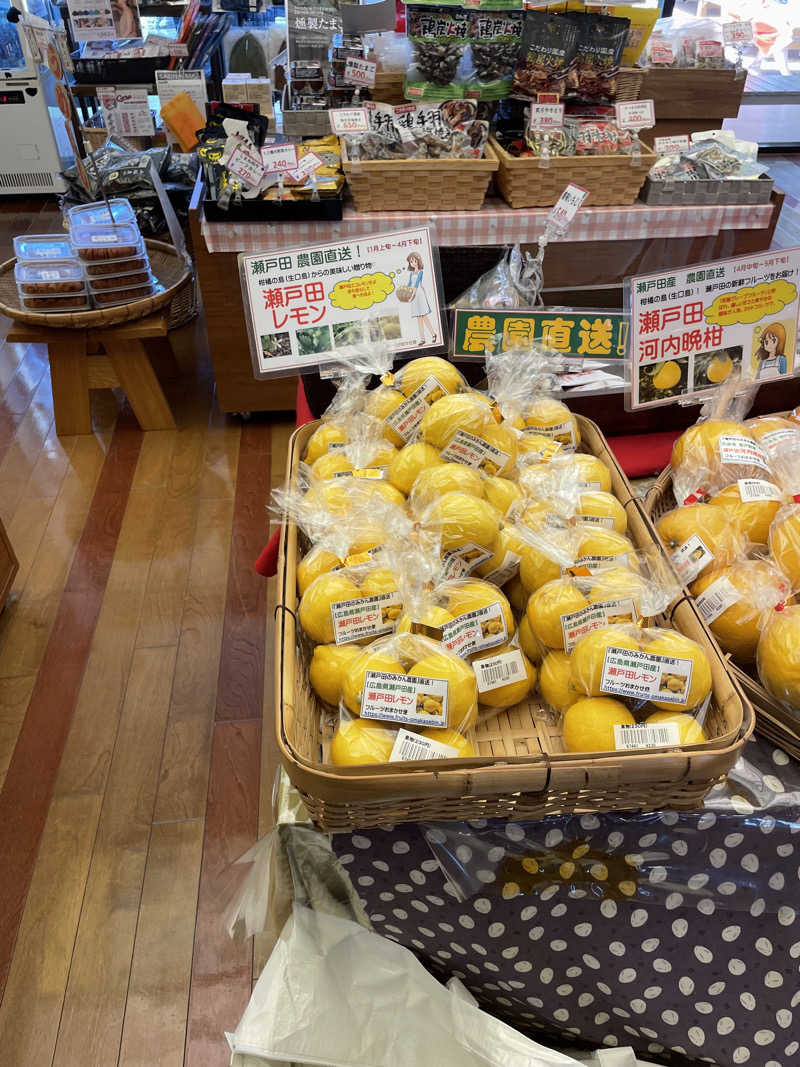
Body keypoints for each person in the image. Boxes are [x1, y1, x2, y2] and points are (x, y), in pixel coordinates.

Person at [404, 252, 437, 346]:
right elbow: (410, 284)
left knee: (424, 316)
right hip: (414, 295)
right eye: (411, 261)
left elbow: (416, 285)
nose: (413, 263)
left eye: (415, 261)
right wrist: (405, 292)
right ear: (410, 263)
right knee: (419, 318)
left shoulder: (420, 272)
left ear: (418, 261)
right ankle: (422, 339)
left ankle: (433, 334)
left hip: (419, 294)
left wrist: (411, 296)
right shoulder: (411, 274)